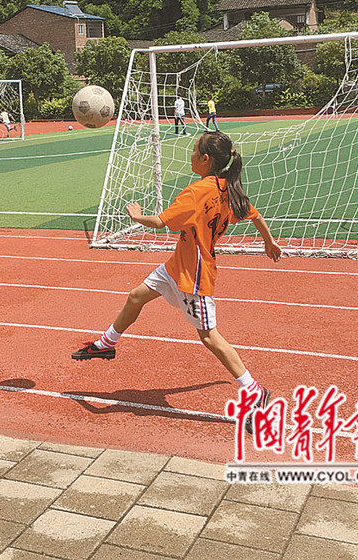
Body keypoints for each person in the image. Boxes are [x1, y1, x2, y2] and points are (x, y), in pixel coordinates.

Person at [72, 131, 282, 433]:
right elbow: (255, 215)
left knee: (209, 337)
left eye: (195, 151)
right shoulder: (229, 188)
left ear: (205, 159)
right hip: (177, 265)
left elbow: (160, 222)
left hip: (193, 277)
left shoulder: (197, 192)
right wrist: (268, 242)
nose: (191, 155)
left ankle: (254, 391)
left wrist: (137, 216)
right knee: (136, 296)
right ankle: (106, 344)